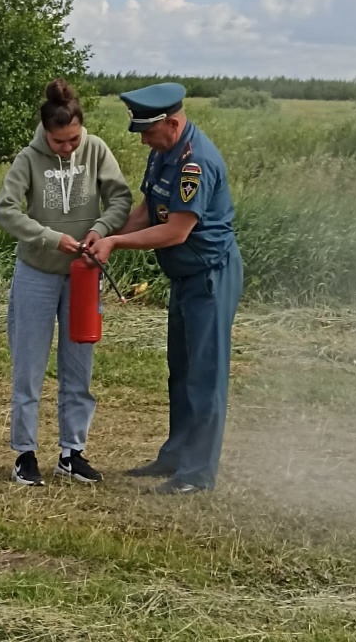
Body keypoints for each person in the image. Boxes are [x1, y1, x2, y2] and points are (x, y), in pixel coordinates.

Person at [90, 82, 243, 495]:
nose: (142, 140)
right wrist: (102, 233)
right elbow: (147, 210)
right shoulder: (164, 154)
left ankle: (196, 475)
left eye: (148, 132)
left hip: (210, 276)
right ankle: (175, 456)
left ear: (173, 124)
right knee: (180, 370)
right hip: (185, 276)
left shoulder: (197, 163)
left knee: (205, 376)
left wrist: (115, 243)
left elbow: (176, 230)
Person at [0, 78, 132, 487]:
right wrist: (51, 238)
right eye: (59, 142)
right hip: (37, 273)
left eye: (73, 139)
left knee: (79, 365)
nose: (67, 148)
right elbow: (5, 211)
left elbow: (121, 199)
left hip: (83, 276)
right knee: (29, 365)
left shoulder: (96, 150)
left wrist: (102, 229)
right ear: (45, 134)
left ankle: (72, 453)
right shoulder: (28, 158)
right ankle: (25, 454)